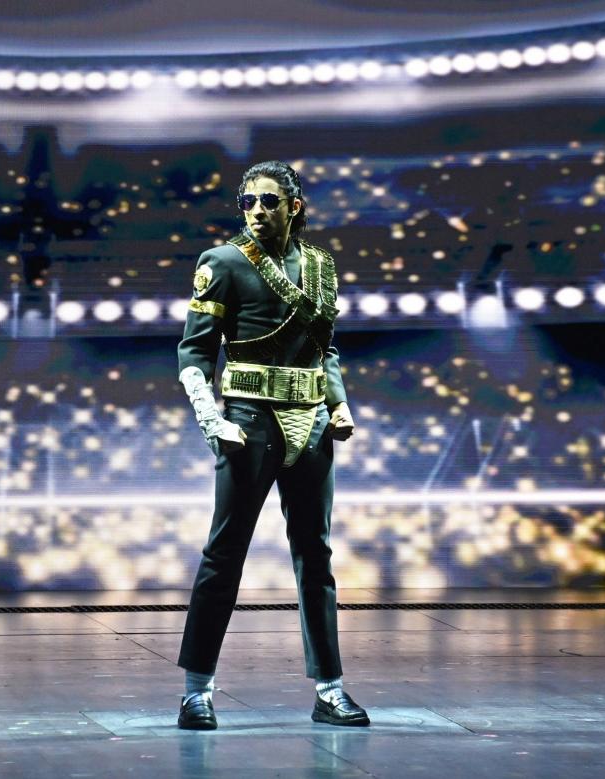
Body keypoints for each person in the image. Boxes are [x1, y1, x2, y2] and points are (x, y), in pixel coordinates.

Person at [174, 160, 369, 730]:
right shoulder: (223, 263)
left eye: (269, 201)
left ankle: (330, 689)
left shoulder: (320, 268)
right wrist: (212, 419)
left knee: (317, 557)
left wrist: (338, 401)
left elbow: (325, 346)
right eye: (249, 202)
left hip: (310, 423)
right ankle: (196, 691)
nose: (258, 211)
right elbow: (193, 352)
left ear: (294, 206)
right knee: (224, 554)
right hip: (248, 422)